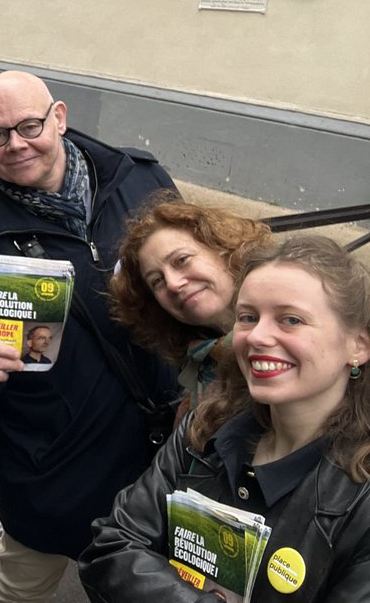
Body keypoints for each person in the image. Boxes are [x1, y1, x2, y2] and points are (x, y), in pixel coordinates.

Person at [0, 70, 178, 603]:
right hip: (52, 471)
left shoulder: (139, 179)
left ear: (59, 118)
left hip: (159, 458)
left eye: (29, 125)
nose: (16, 143)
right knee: (17, 593)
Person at [80, 235, 370, 602]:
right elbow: (111, 547)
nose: (257, 336)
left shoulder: (360, 500)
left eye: (291, 319)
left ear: (358, 345)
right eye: (248, 317)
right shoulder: (206, 428)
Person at [110, 198, 272, 414]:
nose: (173, 284)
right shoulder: (199, 375)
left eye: (181, 260)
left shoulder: (285, 341)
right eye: (157, 281)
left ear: (223, 249)